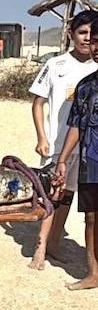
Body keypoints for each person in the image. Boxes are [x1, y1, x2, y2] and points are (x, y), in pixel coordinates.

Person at [28, 10, 96, 270]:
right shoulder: (56, 65)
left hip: (87, 145)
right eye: (82, 32)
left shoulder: (96, 66)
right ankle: (41, 245)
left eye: (91, 33)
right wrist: (42, 136)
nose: (87, 38)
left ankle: (55, 242)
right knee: (51, 193)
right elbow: (38, 102)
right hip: (57, 143)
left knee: (67, 194)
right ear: (71, 34)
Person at [54, 15, 98, 290]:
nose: (95, 46)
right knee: (92, 218)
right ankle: (93, 273)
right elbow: (76, 125)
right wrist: (62, 160)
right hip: (91, 161)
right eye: (93, 41)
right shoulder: (86, 86)